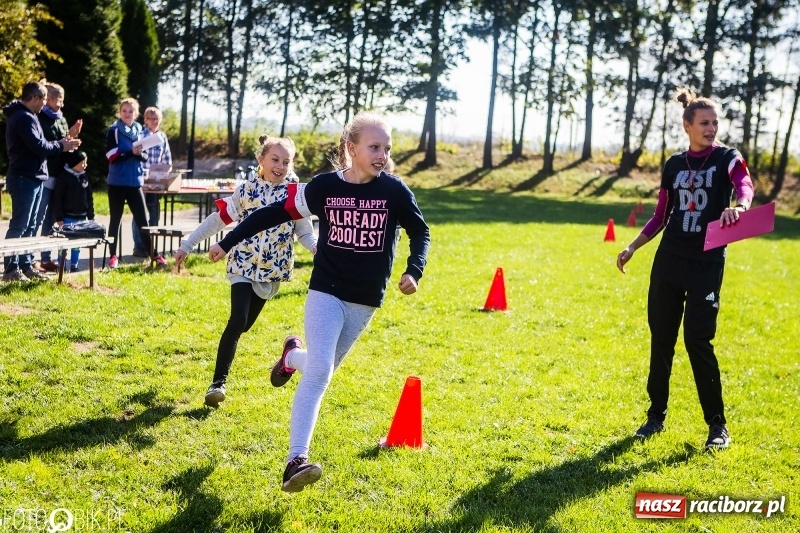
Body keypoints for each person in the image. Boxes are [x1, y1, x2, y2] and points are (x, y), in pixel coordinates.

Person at [208, 111, 430, 492]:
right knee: (321, 375)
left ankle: (291, 356)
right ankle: (296, 459)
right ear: (351, 148)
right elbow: (273, 213)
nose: (382, 154)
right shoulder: (326, 187)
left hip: (365, 300)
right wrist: (227, 240)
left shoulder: (393, 191)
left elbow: (419, 230)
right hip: (326, 290)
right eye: (374, 147)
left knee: (320, 365)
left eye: (387, 148)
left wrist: (414, 270)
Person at [616, 88, 755, 450]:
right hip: (669, 261)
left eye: (715, 123)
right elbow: (662, 214)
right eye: (704, 123)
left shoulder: (727, 156)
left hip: (707, 262)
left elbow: (745, 184)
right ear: (688, 126)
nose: (711, 128)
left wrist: (740, 207)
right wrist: (633, 246)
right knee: (661, 338)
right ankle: (655, 417)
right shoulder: (674, 164)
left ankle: (717, 426)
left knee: (698, 340)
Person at [174, 135, 317, 408]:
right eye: (275, 159)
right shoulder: (246, 190)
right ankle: (217, 384)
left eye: (286, 162)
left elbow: (305, 232)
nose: (280, 166)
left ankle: (287, 350)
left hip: (272, 272)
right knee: (237, 319)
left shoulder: (295, 194)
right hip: (241, 264)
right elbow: (218, 220)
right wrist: (187, 244)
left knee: (245, 325)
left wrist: (315, 248)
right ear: (261, 160)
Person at [2, 81, 81, 282]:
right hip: (23, 177)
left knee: (30, 225)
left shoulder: (30, 116)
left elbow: (43, 144)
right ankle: (11, 269)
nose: (45, 104)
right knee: (20, 224)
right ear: (35, 98)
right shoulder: (23, 118)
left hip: (35, 176)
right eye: (44, 99)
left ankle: (25, 265)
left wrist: (61, 143)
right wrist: (61, 145)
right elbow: (38, 146)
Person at [105, 98, 166, 269]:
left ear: (136, 113)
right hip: (117, 182)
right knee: (115, 219)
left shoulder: (140, 130)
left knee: (143, 221)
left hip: (135, 182)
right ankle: (112, 256)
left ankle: (154, 256)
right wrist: (131, 153)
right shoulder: (114, 130)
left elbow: (144, 156)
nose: (127, 114)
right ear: (120, 112)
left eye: (130, 111)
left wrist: (138, 154)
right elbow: (111, 156)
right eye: (124, 110)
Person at [34, 80, 83, 273]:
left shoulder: (61, 119)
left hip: (59, 175)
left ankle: (46, 258)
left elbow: (63, 145)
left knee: (51, 219)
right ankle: (28, 257)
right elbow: (45, 144)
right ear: (47, 100)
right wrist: (63, 141)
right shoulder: (40, 118)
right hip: (45, 173)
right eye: (57, 101)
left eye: (62, 101)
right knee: (37, 217)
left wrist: (71, 135)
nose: (60, 105)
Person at [132, 106, 172, 258]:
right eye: (151, 119)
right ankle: (139, 246)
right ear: (146, 120)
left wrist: (165, 171)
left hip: (156, 180)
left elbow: (167, 158)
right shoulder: (140, 134)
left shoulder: (162, 136)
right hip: (141, 179)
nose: (154, 122)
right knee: (139, 215)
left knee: (154, 213)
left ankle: (151, 247)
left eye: (157, 119)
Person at [52, 150, 94, 272]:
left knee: (77, 244)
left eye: (86, 163)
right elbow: (58, 198)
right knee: (64, 243)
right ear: (74, 163)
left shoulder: (84, 177)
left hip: (81, 216)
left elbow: (89, 197)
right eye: (82, 163)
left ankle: (74, 265)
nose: (85, 165)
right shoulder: (64, 177)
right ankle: (61, 266)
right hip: (67, 216)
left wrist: (90, 215)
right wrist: (59, 217)